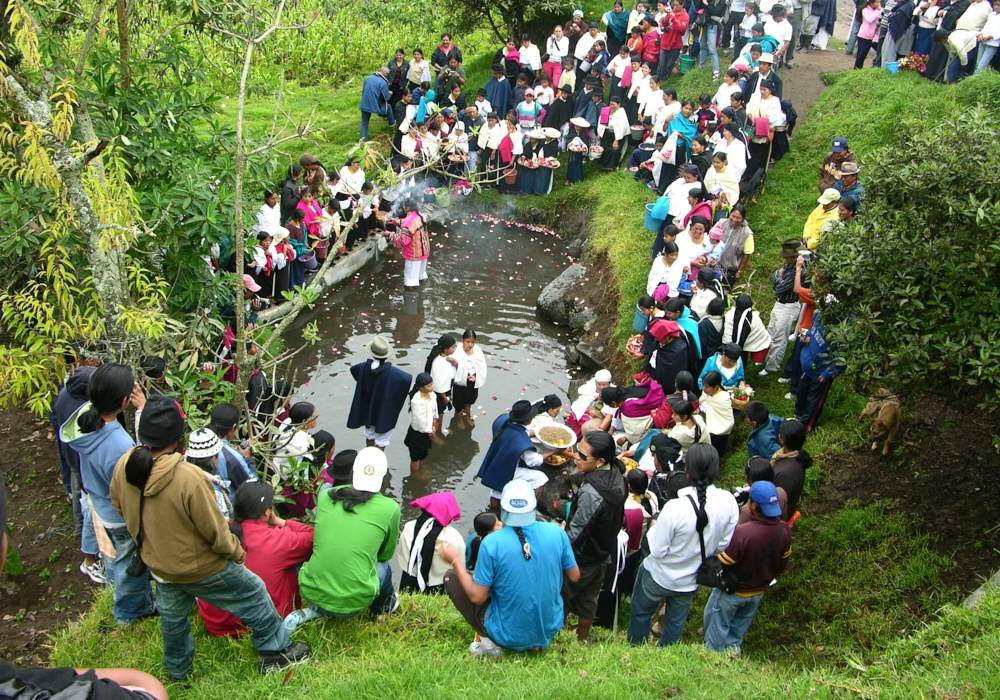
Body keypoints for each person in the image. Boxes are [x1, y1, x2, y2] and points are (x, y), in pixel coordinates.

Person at [109, 396, 308, 678]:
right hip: (198, 567)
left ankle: (178, 671)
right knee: (254, 592)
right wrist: (238, 554)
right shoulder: (189, 478)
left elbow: (119, 505)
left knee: (173, 620)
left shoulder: (126, 464)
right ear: (180, 438)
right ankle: (274, 651)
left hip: (160, 564)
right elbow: (215, 531)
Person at [439, 479, 580, 657]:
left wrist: (455, 561)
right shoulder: (557, 533)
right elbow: (574, 576)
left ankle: (487, 643)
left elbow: (477, 596)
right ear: (534, 505)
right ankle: (536, 639)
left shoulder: (491, 543)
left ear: (504, 510)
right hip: (550, 626)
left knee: (452, 577)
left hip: (507, 635)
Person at [61, 363, 155, 624]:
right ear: (125, 400)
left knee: (117, 558)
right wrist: (143, 411)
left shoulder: (84, 420)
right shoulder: (118, 444)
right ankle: (129, 614)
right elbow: (134, 478)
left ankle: (132, 601)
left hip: (99, 503)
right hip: (119, 515)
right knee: (130, 565)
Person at [626, 443, 739, 645]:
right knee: (675, 626)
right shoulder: (729, 502)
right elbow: (722, 545)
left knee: (641, 614)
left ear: (686, 471)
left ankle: (635, 653)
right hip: (689, 580)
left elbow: (658, 550)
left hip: (658, 576)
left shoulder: (674, 508)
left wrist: (653, 526)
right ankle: (667, 657)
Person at [286, 448, 399, 629]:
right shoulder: (390, 508)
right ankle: (382, 609)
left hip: (311, 594)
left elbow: (328, 490)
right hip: (354, 605)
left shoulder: (325, 495)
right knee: (383, 567)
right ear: (384, 477)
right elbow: (385, 555)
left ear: (353, 472)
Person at [197, 481, 314, 637]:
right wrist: (281, 522)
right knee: (293, 560)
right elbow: (314, 536)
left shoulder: (220, 531)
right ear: (267, 512)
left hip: (218, 625)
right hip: (263, 624)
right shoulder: (278, 539)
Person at [704, 481, 791, 654]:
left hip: (733, 592)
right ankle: (732, 659)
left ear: (752, 505)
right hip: (757, 593)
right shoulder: (784, 530)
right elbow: (782, 562)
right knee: (736, 635)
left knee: (716, 633)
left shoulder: (743, 533)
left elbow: (725, 561)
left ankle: (712, 665)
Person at [560, 431, 628, 643]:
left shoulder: (592, 493)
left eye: (582, 456)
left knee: (560, 596)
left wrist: (560, 548)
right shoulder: (617, 475)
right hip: (603, 552)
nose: (576, 458)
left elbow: (577, 532)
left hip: (581, 558)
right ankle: (582, 638)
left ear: (600, 461)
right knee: (589, 599)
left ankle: (557, 637)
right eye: (577, 451)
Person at [50, 366, 104, 584]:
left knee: (76, 490)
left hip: (69, 452)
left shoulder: (64, 393)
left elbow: (52, 416)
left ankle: (78, 524)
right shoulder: (83, 407)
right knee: (85, 499)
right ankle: (85, 539)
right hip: (80, 459)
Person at [477, 400, 560, 511]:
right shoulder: (521, 440)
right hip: (508, 469)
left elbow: (522, 431)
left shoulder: (504, 420)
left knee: (496, 490)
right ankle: (530, 509)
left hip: (496, 461)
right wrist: (555, 451)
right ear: (527, 420)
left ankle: (492, 511)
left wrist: (537, 432)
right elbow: (533, 461)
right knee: (541, 479)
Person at [346, 335, 413, 450]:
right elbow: (407, 380)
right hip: (383, 412)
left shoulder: (362, 368)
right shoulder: (394, 374)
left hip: (369, 411)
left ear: (372, 353)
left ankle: (369, 456)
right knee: (382, 440)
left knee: (369, 435)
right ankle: (378, 461)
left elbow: (353, 370)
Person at [398, 492, 465, 594]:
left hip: (409, 577)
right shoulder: (455, 538)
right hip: (439, 585)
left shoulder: (408, 528)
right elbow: (459, 568)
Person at [760, 240, 806, 379]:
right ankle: (766, 358)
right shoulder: (789, 266)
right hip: (779, 304)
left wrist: (779, 281)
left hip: (789, 306)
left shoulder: (800, 270)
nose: (785, 259)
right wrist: (779, 280)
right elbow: (775, 276)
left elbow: (780, 287)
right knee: (771, 332)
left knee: (780, 338)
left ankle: (772, 366)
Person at [795, 312, 842, 431]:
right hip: (807, 365)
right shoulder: (819, 315)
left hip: (820, 373)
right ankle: (799, 413)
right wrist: (807, 336)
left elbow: (843, 359)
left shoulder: (840, 335)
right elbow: (811, 330)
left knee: (814, 400)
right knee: (801, 392)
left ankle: (806, 424)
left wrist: (829, 373)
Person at [387, 198, 429, 288]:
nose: (403, 208)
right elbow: (411, 226)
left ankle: (411, 298)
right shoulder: (421, 216)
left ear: (407, 208)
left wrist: (389, 235)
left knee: (410, 281)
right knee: (420, 275)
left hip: (414, 254)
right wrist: (396, 222)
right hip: (423, 251)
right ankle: (421, 293)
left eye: (404, 207)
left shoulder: (407, 222)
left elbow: (402, 242)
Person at [452, 329, 488, 430]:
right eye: (468, 342)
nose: (470, 344)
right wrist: (464, 376)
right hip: (460, 382)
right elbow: (454, 367)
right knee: (458, 402)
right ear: (462, 340)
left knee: (470, 400)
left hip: (473, 380)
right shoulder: (457, 351)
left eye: (473, 342)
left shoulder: (477, 351)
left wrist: (476, 376)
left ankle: (466, 416)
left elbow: (481, 366)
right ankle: (458, 418)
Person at [405, 372, 438, 478]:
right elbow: (420, 420)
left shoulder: (432, 395)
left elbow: (434, 412)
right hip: (419, 432)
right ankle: (415, 473)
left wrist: (434, 426)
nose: (432, 387)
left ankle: (420, 468)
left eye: (432, 384)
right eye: (429, 386)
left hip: (429, 430)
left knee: (424, 452)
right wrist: (430, 431)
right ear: (421, 388)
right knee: (415, 456)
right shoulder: (417, 401)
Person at [700, 371, 735, 456]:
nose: (704, 388)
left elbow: (728, 421)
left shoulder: (723, 399)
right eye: (703, 385)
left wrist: (714, 430)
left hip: (718, 436)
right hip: (707, 429)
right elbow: (703, 400)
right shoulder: (706, 392)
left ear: (716, 387)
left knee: (715, 452)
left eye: (707, 387)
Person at [359, 67, 392, 141]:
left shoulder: (368, 78)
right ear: (385, 73)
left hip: (365, 102)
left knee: (364, 123)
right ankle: (392, 126)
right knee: (388, 107)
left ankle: (363, 142)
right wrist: (389, 93)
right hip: (375, 104)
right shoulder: (383, 82)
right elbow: (386, 98)